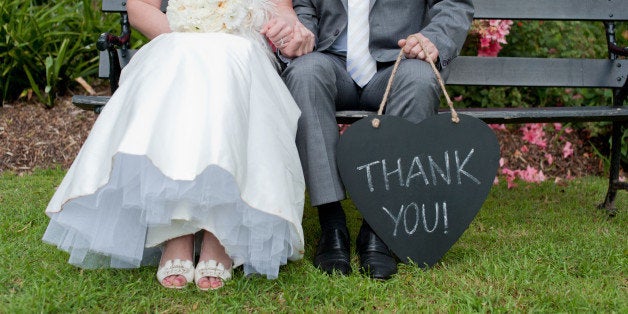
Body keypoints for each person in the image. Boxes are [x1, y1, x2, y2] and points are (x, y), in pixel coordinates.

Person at [42, 0, 311, 290]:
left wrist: (288, 29)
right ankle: (177, 231)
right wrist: (191, 34)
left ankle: (217, 233)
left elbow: (283, 10)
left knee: (227, 61)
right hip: (176, 43)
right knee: (186, 61)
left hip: (243, 51)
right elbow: (139, 9)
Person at [278, 0, 474, 280]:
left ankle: (380, 227)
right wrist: (300, 33)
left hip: (398, 60)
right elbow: (305, 5)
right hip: (330, 59)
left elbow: (453, 5)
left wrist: (433, 39)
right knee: (304, 74)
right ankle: (331, 223)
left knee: (419, 79)